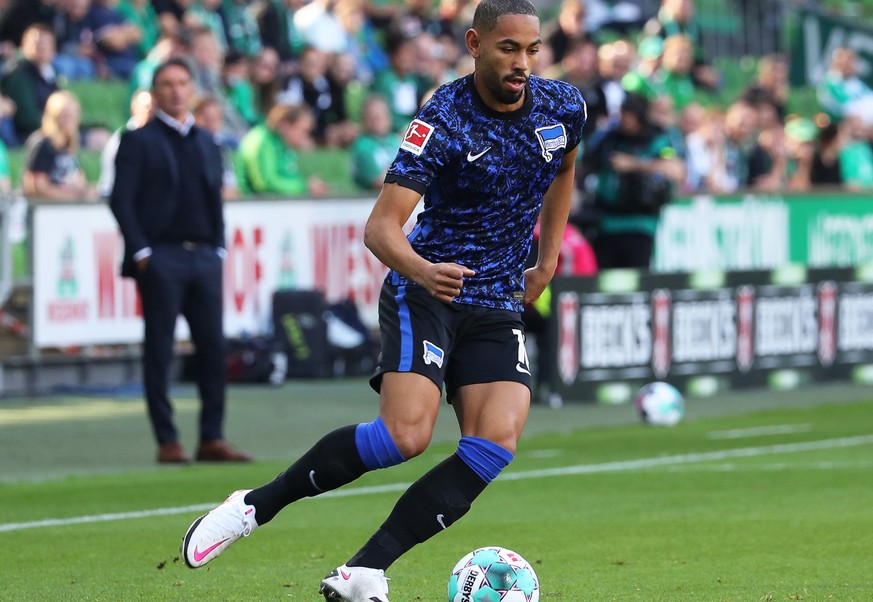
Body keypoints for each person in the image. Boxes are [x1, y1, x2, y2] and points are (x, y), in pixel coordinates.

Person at [180, 2, 586, 602]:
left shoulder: (563, 106)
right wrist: (424, 270)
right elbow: (381, 229)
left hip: (497, 297)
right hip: (426, 289)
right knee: (405, 437)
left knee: (495, 443)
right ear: (475, 43)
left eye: (532, 49)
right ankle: (254, 507)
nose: (522, 62)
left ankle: (363, 570)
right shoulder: (443, 118)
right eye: (508, 49)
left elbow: (564, 170)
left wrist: (547, 258)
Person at [109, 57, 251, 464]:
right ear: (154, 93)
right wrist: (142, 253)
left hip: (204, 256)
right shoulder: (137, 140)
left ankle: (211, 438)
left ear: (191, 89)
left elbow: (214, 198)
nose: (175, 90)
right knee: (159, 350)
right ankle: (167, 440)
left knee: (212, 348)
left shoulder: (208, 141)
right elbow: (121, 200)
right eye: (167, 84)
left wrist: (219, 247)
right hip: (161, 257)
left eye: (182, 83)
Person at [583, 93, 685, 269]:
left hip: (641, 222)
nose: (625, 121)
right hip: (607, 221)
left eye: (630, 116)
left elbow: (676, 170)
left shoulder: (658, 139)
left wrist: (634, 165)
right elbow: (586, 161)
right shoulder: (608, 138)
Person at [234, 102, 329, 197]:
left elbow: (289, 178)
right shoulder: (262, 140)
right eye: (304, 131)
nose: (306, 137)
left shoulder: (283, 145)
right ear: (286, 125)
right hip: (250, 206)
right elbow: (265, 184)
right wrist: (305, 187)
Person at [22, 90, 95, 202]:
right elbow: (37, 186)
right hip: (45, 209)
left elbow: (79, 178)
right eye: (65, 115)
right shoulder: (43, 144)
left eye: (74, 115)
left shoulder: (70, 145)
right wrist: (72, 198)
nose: (70, 120)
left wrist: (85, 191)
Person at [0, 23, 59, 144]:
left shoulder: (49, 74)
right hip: (28, 136)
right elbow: (26, 119)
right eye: (37, 43)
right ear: (23, 45)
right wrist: (56, 128)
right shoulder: (18, 74)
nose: (41, 47)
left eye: (46, 44)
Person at [97, 87, 152, 199]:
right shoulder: (123, 139)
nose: (150, 111)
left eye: (154, 107)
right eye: (146, 107)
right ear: (133, 109)